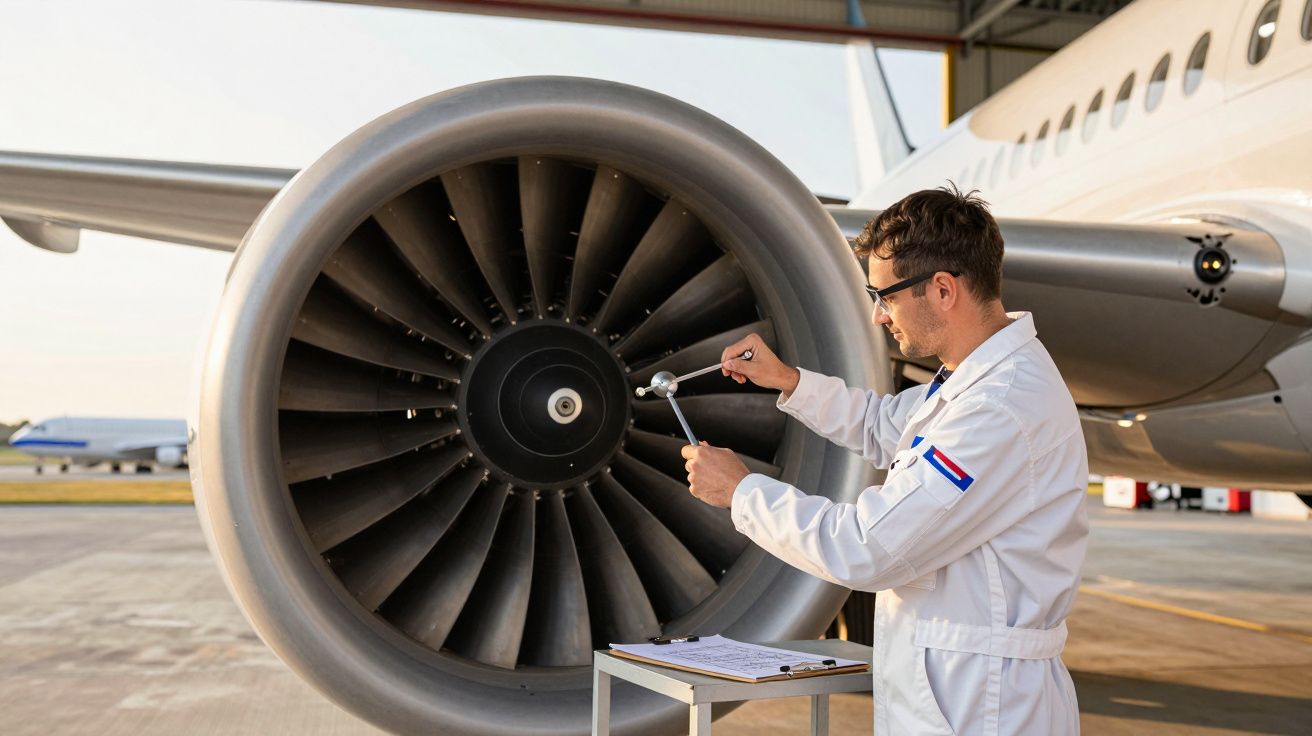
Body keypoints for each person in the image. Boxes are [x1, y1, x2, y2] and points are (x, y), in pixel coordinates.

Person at [681, 184, 1089, 735]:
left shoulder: (999, 408)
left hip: (984, 707)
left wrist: (742, 492)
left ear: (943, 289)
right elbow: (882, 424)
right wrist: (787, 380)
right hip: (956, 688)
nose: (878, 317)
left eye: (886, 296)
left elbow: (868, 550)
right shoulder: (970, 384)